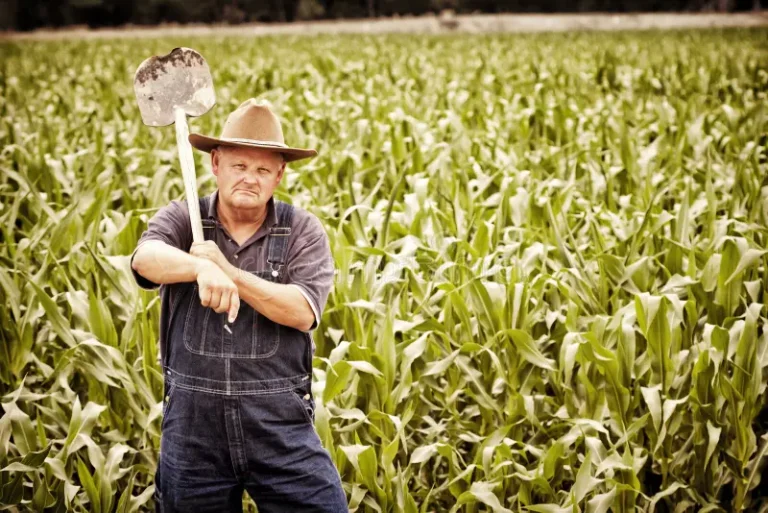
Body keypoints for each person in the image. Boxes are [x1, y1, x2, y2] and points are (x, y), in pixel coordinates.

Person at [130, 99, 346, 512]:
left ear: (279, 175)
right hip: (195, 434)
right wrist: (199, 268)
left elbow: (302, 310)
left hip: (279, 429)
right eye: (239, 166)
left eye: (263, 169)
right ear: (215, 164)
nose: (250, 178)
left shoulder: (302, 230)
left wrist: (229, 272)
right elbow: (145, 259)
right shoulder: (182, 218)